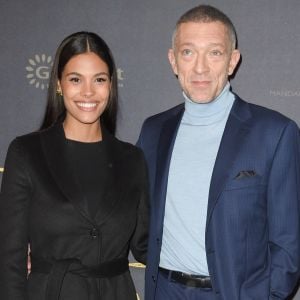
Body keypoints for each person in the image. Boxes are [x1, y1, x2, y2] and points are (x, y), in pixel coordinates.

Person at [137, 5, 300, 300]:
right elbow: (137, 218)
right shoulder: (153, 130)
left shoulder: (274, 133)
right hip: (164, 291)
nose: (200, 68)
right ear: (173, 61)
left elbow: (289, 241)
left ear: (232, 61)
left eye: (214, 52)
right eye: (188, 52)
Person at [0, 31, 149, 300]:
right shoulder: (26, 153)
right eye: (75, 79)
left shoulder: (132, 159)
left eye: (99, 80)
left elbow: (145, 244)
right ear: (59, 84)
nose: (88, 92)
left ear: (111, 85)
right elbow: (10, 259)